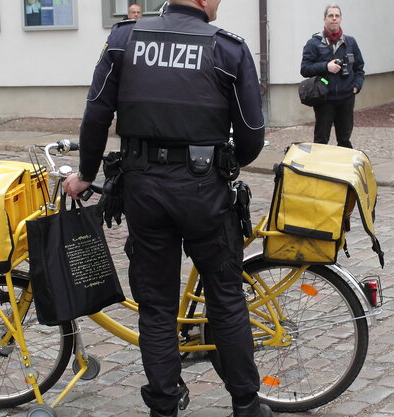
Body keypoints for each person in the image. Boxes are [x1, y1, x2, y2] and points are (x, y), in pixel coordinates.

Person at [62, 1, 270, 416]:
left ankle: (164, 406)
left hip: (144, 189)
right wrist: (224, 161)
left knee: (156, 307)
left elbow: (96, 115)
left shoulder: (125, 38)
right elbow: (251, 135)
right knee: (226, 298)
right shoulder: (229, 50)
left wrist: (86, 173)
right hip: (204, 191)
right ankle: (246, 406)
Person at [300, 5, 365, 148]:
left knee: (344, 140)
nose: (334, 19)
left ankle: (344, 169)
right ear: (325, 19)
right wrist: (326, 66)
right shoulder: (314, 43)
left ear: (341, 19)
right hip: (324, 99)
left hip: (346, 98)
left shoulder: (350, 42)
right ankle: (319, 169)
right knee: (321, 141)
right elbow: (305, 69)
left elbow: (359, 68)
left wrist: (356, 86)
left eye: (337, 16)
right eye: (330, 16)